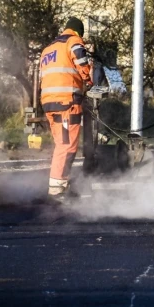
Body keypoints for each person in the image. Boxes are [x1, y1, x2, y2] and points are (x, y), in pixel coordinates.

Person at [39, 17, 93, 199]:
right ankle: (57, 190)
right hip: (66, 102)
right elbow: (82, 63)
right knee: (66, 146)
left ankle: (61, 184)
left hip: (49, 102)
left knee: (61, 143)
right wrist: (88, 81)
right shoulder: (74, 41)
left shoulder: (48, 49)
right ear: (79, 31)